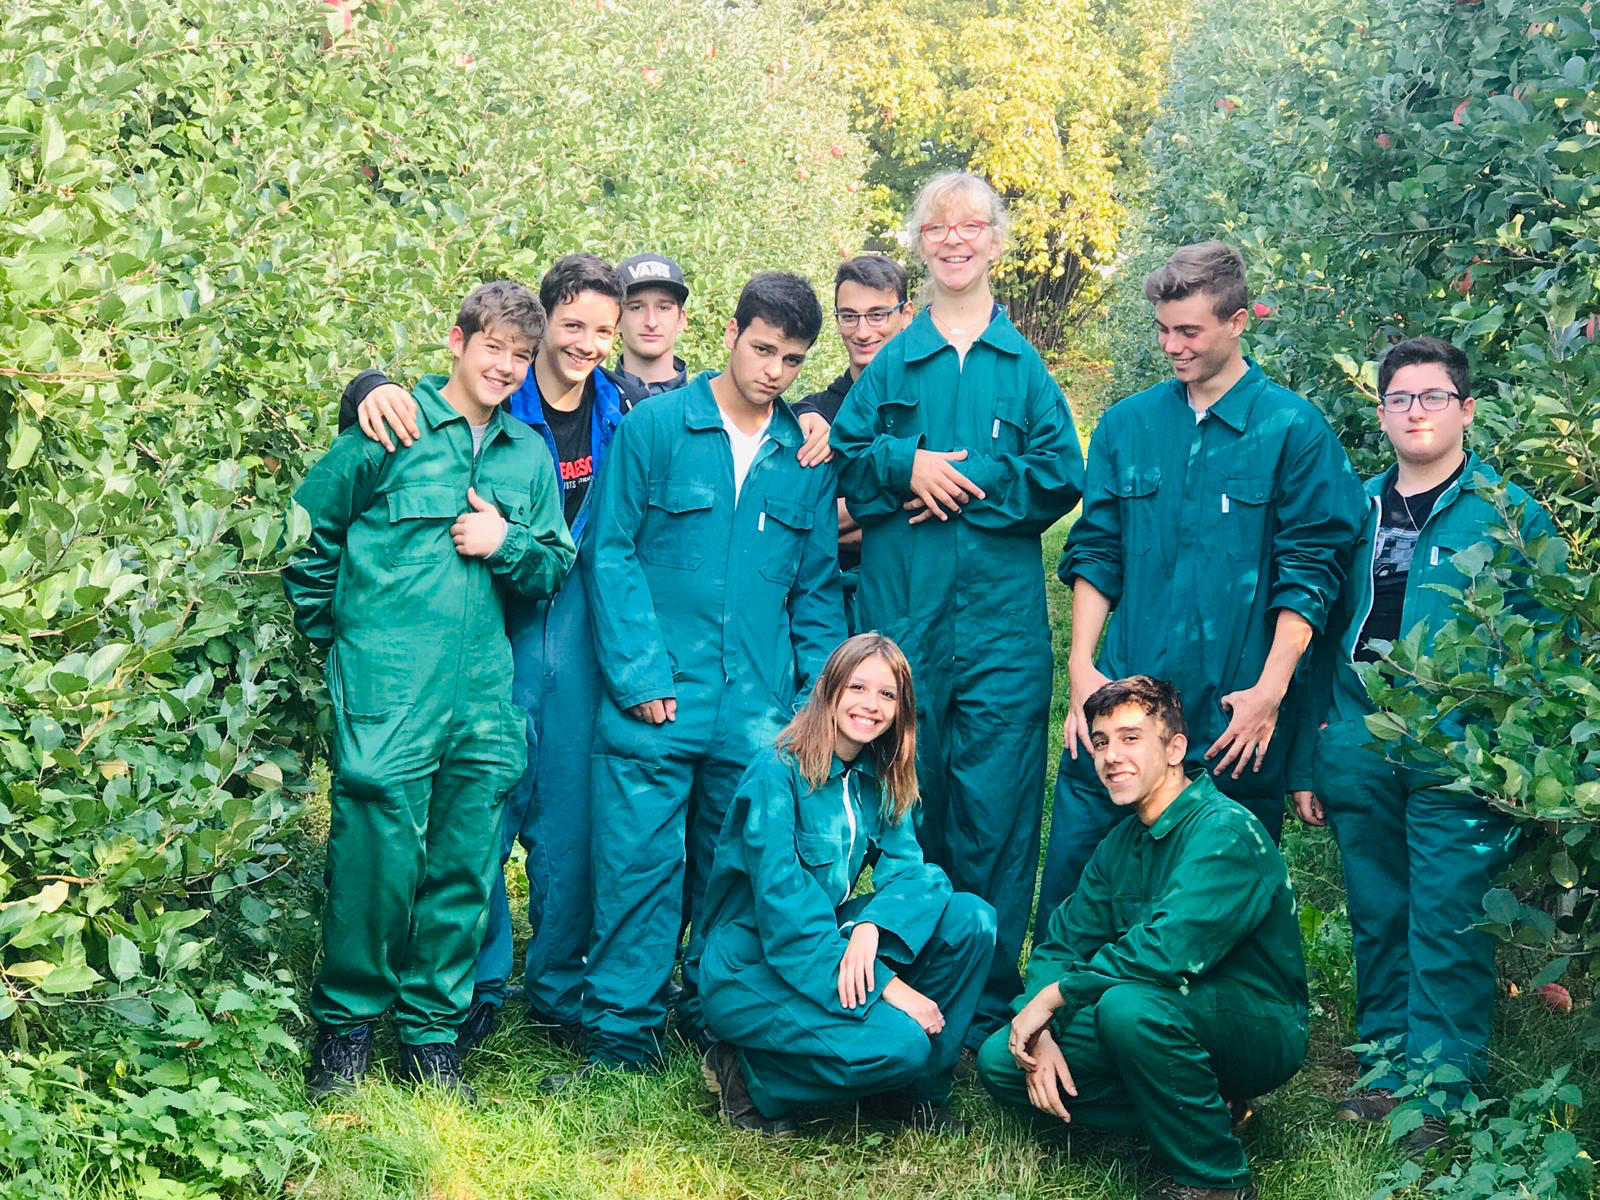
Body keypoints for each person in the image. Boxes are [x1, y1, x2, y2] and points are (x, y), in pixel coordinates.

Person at [283, 281, 576, 1098]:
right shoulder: (392, 426)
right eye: (494, 348)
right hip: (390, 686)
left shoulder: (526, 454)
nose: (505, 367)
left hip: (481, 696)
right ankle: (346, 1029)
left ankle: (430, 1040)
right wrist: (343, 642)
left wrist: (505, 540)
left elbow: (553, 564)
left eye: (521, 356)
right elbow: (307, 537)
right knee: (374, 859)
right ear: (458, 341)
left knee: (463, 868)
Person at [336, 255, 627, 1051]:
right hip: (441, 658)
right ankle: (437, 1000)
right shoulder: (446, 412)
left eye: (602, 330)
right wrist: (364, 385)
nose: (587, 342)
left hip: (537, 651)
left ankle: (501, 1004)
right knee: (424, 836)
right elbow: (320, 527)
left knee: (509, 835)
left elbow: (555, 555)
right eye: (573, 325)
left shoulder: (602, 417)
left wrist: (504, 543)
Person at [1033, 241, 1364, 932]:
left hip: (1232, 720)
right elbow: (1097, 550)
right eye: (1162, 330)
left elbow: (1311, 574)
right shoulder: (1128, 425)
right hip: (1121, 702)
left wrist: (1270, 693)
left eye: (1189, 331)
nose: (1171, 347)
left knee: (1213, 916)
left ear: (1238, 321)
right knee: (1078, 891)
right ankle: (1063, 1000)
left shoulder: (1292, 430)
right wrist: (1082, 666)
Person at [830, 172, 1084, 1045]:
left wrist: (964, 484)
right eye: (936, 228)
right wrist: (906, 465)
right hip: (904, 623)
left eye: (970, 226)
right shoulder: (894, 360)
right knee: (906, 794)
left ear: (995, 241)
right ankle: (902, 978)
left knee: (997, 804)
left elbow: (1061, 475)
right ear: (919, 244)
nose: (953, 240)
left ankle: (986, 998)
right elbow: (846, 458)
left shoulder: (1023, 366)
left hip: (1001, 632)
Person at [1293, 336, 1559, 1150]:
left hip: (1458, 750)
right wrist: (1312, 754)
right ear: (1380, 414)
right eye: (1400, 398)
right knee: (1378, 909)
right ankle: (1384, 1067)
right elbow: (1312, 633)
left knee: (1446, 913)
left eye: (1433, 396)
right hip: (1358, 738)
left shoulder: (1508, 513)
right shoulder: (1352, 510)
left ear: (1466, 409)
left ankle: (1440, 1089)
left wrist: (1516, 754)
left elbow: (1545, 645)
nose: (1416, 411)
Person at [579, 271, 846, 1071]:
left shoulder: (803, 458)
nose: (774, 371)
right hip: (658, 697)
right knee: (637, 865)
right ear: (730, 334)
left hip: (758, 711)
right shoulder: (655, 429)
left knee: (734, 872)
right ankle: (619, 1033)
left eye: (792, 360)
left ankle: (711, 1014)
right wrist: (640, 675)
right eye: (762, 349)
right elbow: (609, 552)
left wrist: (811, 704)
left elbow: (816, 591)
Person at [978, 676, 1308, 1200]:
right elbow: (1061, 944)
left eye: (1130, 738)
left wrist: (1057, 996)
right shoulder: (1120, 843)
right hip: (1160, 1011)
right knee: (1002, 1058)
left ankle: (1215, 1179)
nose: (1111, 755)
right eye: (1101, 741)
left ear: (1174, 749)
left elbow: (1166, 950)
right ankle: (1206, 1111)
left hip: (1255, 1023)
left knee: (1127, 1007)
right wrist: (1041, 1027)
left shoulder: (1224, 830)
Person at [697, 634, 996, 1135]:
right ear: (829, 689)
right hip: (751, 965)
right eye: (858, 686)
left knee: (971, 918)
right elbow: (786, 916)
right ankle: (750, 1075)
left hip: (822, 939)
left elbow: (914, 875)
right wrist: (887, 986)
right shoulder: (776, 773)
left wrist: (869, 927)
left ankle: (911, 1094)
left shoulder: (879, 775)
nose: (871, 705)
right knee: (901, 1043)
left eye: (887, 694)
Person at [792, 255, 915, 633]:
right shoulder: (813, 416)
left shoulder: (931, 405)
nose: (862, 331)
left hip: (917, 607)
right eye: (849, 316)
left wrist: (848, 515)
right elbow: (800, 522)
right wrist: (899, 501)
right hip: (832, 612)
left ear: (906, 314)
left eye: (877, 315)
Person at [613, 252, 691, 408]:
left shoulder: (707, 406)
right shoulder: (593, 405)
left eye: (663, 307)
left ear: (681, 319)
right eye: (636, 308)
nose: (651, 322)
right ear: (615, 320)